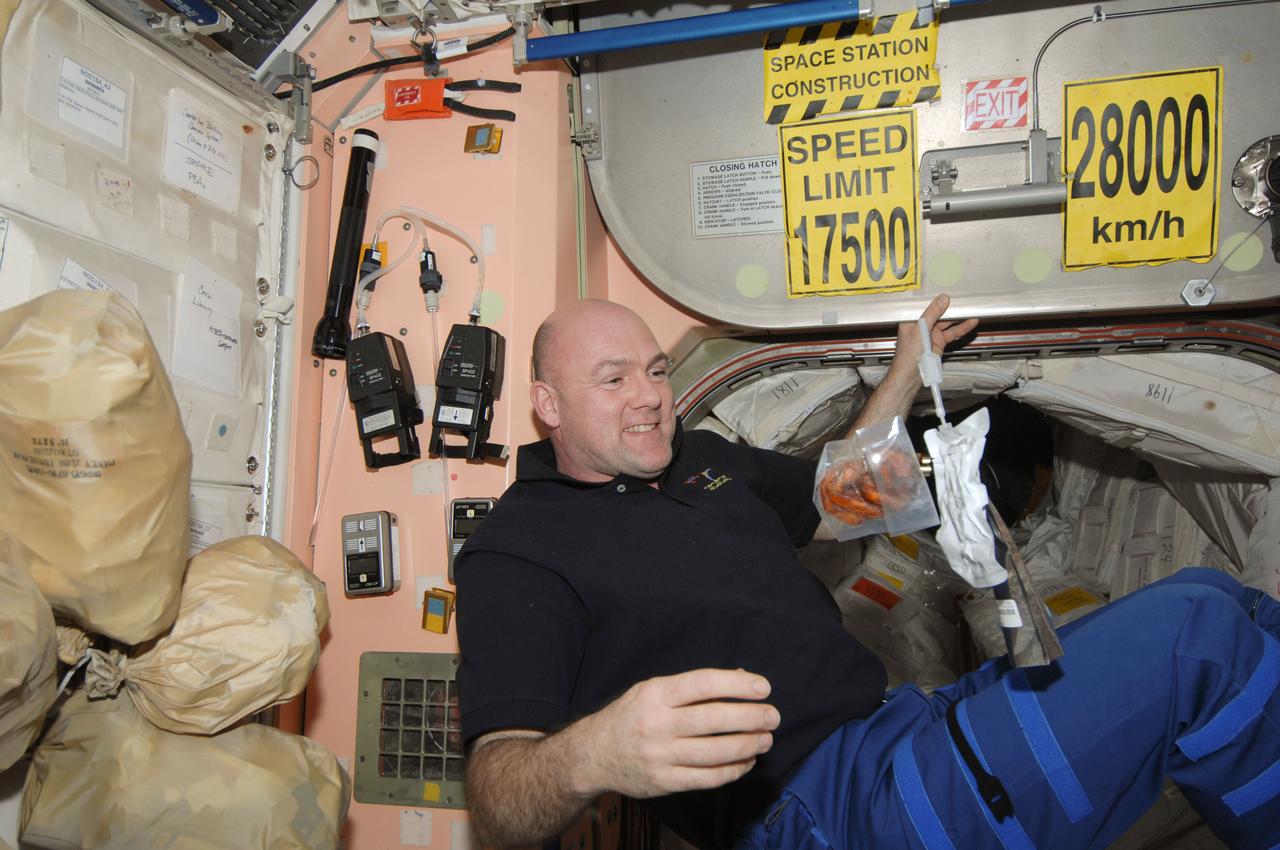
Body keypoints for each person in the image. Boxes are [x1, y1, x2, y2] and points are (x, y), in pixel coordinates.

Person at [455, 297, 1280, 850]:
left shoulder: (697, 459)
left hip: (899, 725)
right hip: (825, 812)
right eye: (614, 379)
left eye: (656, 371)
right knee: (1199, 646)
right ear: (547, 405)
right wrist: (592, 755)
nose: (651, 397)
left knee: (1215, 598)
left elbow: (837, 501)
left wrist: (902, 374)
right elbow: (496, 795)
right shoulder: (517, 549)